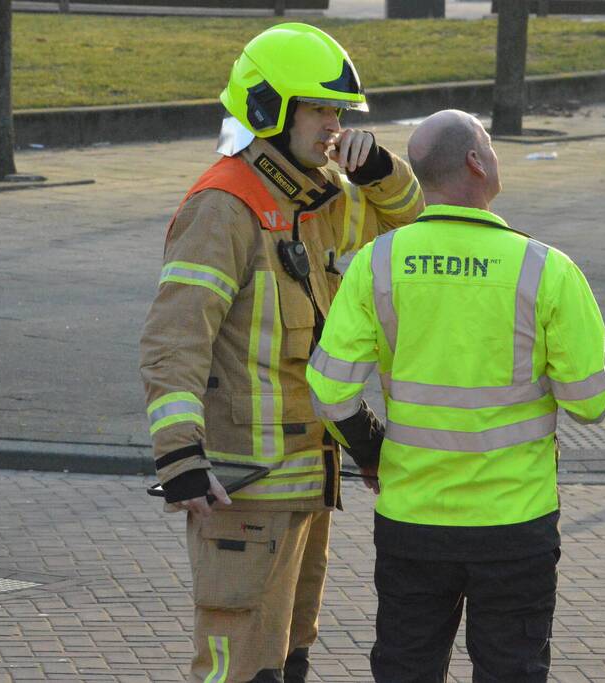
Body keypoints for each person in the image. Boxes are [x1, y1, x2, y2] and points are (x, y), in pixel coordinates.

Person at [139, 23, 423, 683]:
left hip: (309, 480)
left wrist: (383, 172)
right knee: (236, 663)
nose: (333, 125)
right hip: (243, 486)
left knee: (290, 655)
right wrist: (179, 455)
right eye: (320, 108)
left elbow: (419, 235)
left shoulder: (331, 197)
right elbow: (175, 335)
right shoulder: (224, 205)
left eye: (338, 111)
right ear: (270, 109)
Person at [305, 109, 605, 682]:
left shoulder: (378, 262)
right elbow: (591, 402)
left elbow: (329, 389)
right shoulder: (545, 269)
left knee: (406, 668)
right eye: (492, 145)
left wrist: (370, 449)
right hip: (513, 524)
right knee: (510, 670)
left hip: (411, 519)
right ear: (477, 162)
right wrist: (599, 360)